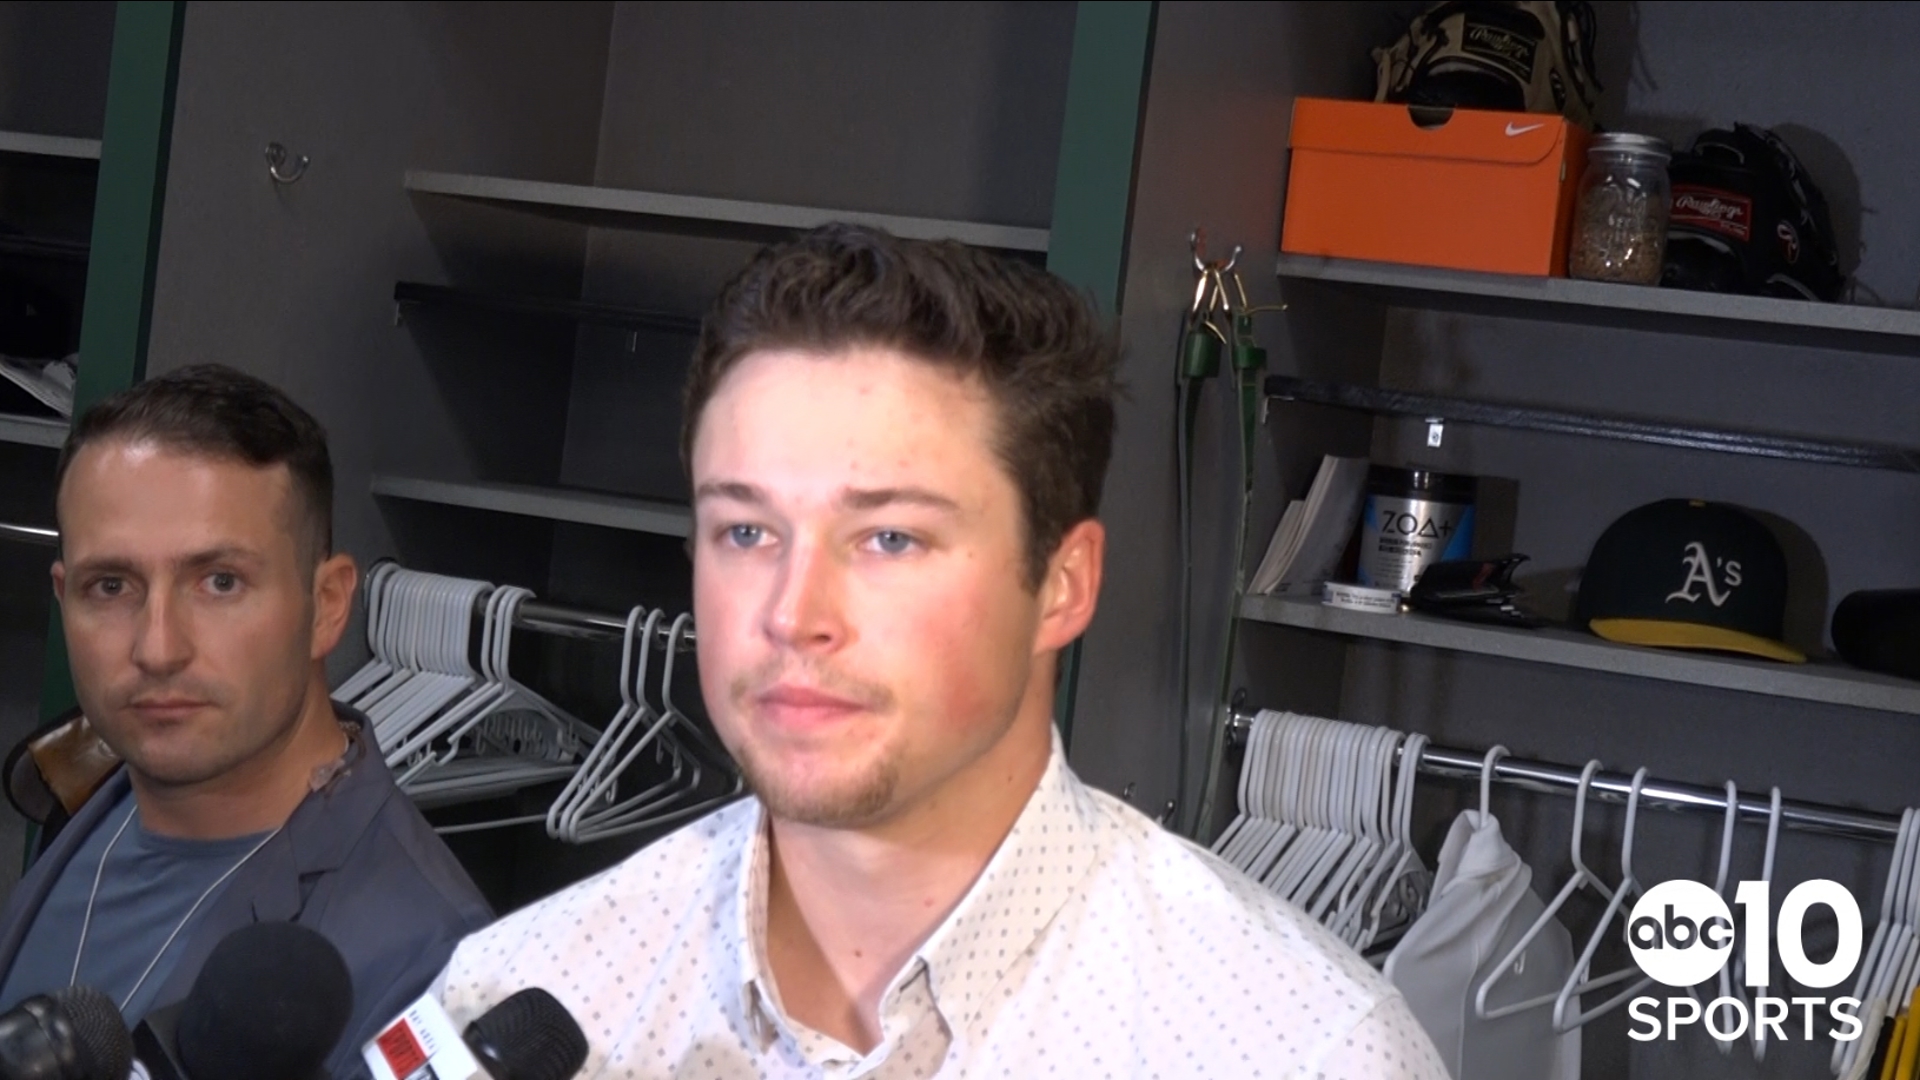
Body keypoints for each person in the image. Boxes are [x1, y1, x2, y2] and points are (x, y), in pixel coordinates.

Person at [439, 226, 1447, 1077]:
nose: (794, 613)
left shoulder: (1304, 1055)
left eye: (890, 538)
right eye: (746, 531)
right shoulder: (515, 1004)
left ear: (1062, 582)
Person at [0, 365, 493, 1078]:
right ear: (63, 596)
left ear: (326, 604)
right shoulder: (88, 792)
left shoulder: (423, 962)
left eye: (220, 582)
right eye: (111, 586)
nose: (157, 647)